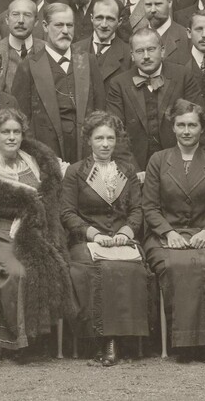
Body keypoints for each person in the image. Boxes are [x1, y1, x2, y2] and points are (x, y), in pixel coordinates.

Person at [0, 108, 72, 360]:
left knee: (48, 264)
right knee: (16, 271)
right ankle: (15, 342)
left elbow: (53, 189)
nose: (11, 137)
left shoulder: (32, 160)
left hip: (34, 228)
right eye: (5, 132)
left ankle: (40, 337)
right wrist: (10, 203)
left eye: (16, 132)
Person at [142, 100, 205, 363]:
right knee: (178, 264)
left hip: (203, 234)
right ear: (173, 128)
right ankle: (184, 343)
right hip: (164, 235)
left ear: (201, 129)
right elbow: (149, 207)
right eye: (181, 125)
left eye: (192, 125)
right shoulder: (158, 160)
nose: (186, 130)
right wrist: (168, 232)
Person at [60, 111, 149, 366]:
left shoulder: (127, 171)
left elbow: (137, 210)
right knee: (94, 269)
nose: (105, 144)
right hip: (86, 241)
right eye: (99, 138)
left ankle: (124, 340)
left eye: (110, 138)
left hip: (121, 239)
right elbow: (67, 212)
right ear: (88, 140)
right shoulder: (76, 172)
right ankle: (103, 340)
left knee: (131, 269)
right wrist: (94, 235)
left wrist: (125, 232)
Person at [12, 3, 101, 163]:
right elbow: (21, 120)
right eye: (59, 25)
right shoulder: (28, 66)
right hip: (47, 153)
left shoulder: (88, 61)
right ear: (45, 26)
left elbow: (101, 112)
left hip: (86, 150)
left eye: (70, 25)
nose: (65, 31)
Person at [106, 28, 203, 169]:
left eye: (151, 49)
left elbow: (198, 123)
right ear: (132, 55)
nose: (146, 56)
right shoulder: (119, 84)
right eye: (139, 51)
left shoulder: (182, 76)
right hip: (136, 166)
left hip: (179, 164)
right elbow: (115, 133)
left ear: (162, 51)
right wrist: (134, 171)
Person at [73, 0, 131, 91]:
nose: (104, 25)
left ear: (119, 21)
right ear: (92, 18)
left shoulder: (128, 54)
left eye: (110, 19)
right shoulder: (75, 49)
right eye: (99, 18)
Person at [0, 0, 45, 92]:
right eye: (15, 14)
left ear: (36, 22)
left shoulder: (47, 50)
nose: (21, 20)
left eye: (27, 15)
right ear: (7, 20)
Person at [144, 0, 191, 64]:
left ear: (169, 2)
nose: (153, 10)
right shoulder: (136, 37)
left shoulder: (186, 37)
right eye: (148, 5)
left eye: (158, 4)